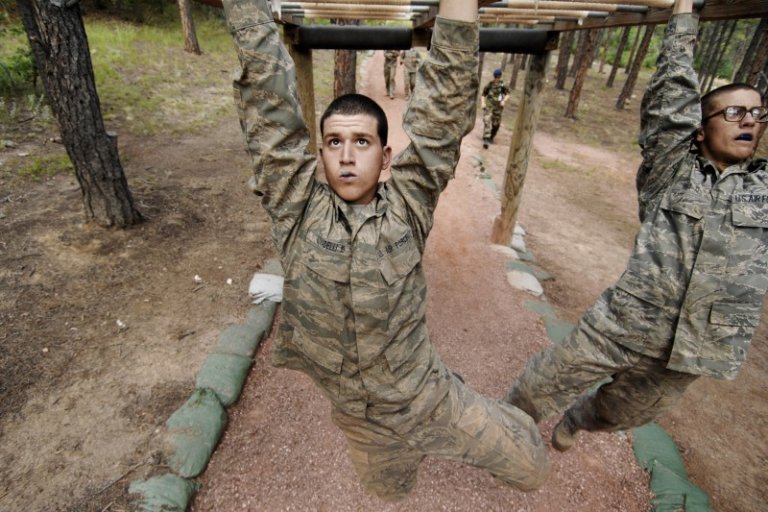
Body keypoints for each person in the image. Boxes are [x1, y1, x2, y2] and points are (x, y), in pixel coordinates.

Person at [222, 0, 549, 501]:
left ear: (385, 155)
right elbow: (267, 102)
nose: (347, 156)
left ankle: (478, 408)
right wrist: (245, 13)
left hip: (425, 396)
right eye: (333, 143)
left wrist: (459, 12)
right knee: (389, 492)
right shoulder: (296, 207)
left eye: (362, 142)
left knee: (531, 468)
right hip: (359, 418)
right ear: (319, 153)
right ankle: (408, 449)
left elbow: (440, 122)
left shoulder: (409, 204)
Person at [504, 0, 767, 453]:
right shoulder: (673, 169)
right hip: (625, 324)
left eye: (756, 114)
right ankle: (503, 434)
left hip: (695, 348)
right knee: (538, 385)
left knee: (620, 413)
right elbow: (670, 103)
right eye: (733, 113)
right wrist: (683, 20)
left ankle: (581, 417)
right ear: (700, 130)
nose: (748, 120)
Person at [481, 68, 510, 148]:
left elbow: (508, 94)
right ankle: (486, 139)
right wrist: (483, 103)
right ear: (494, 77)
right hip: (489, 105)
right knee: (487, 120)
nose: (497, 78)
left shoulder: (503, 85)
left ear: (500, 77)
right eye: (495, 77)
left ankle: (491, 137)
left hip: (498, 107)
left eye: (498, 77)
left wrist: (504, 101)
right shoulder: (489, 85)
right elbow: (483, 94)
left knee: (496, 123)